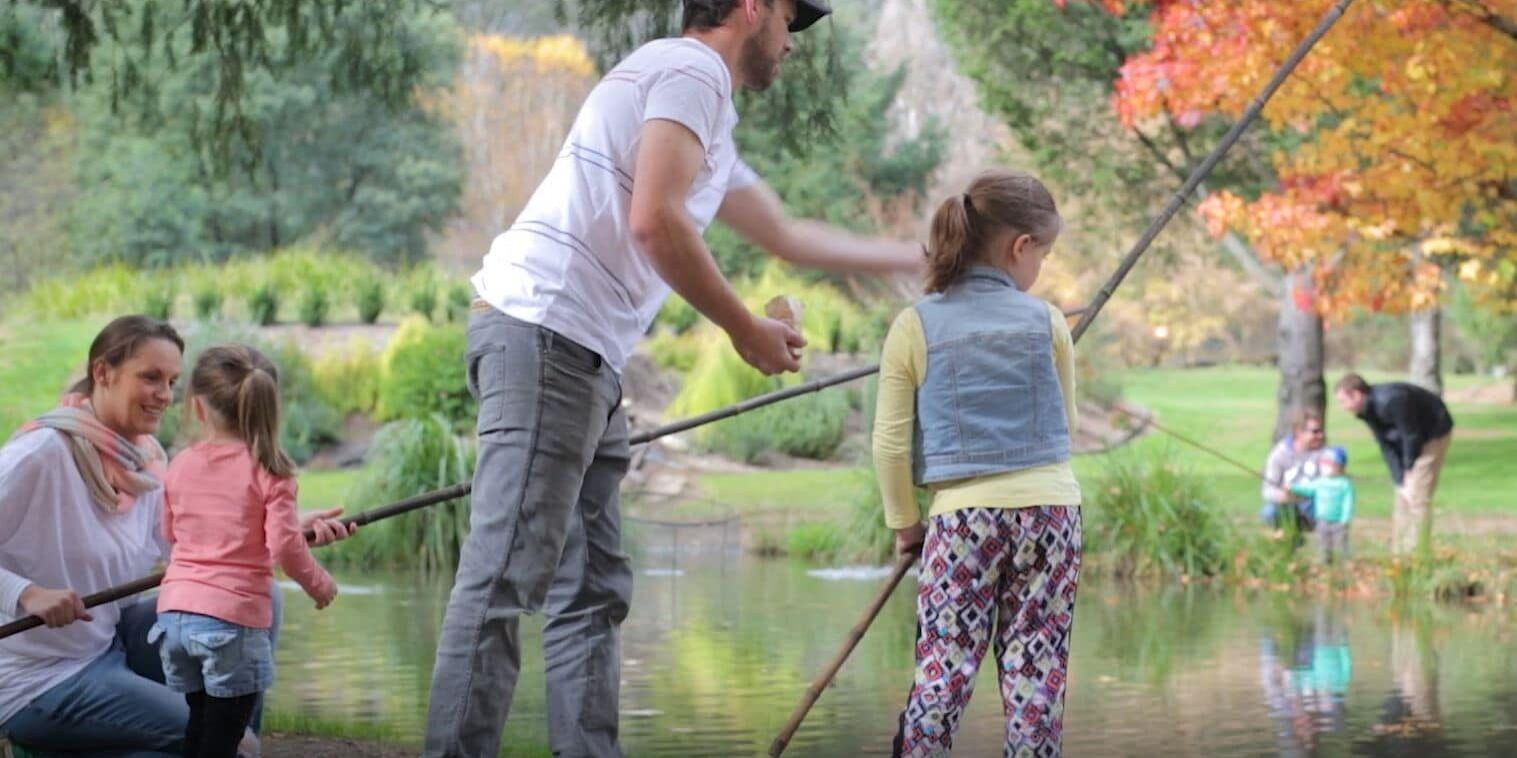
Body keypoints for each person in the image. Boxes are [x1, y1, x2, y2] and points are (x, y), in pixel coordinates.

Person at [424, 0, 927, 754]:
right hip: (545, 334)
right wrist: (742, 329)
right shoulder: (691, 69)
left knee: (592, 588)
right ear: (751, 8)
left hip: (583, 355)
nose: (793, 43)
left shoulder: (705, 118)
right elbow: (655, 219)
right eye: (793, 20)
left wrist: (930, 259)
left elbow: (788, 235)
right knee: (504, 578)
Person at [0, 315, 354, 755]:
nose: (165, 396)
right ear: (102, 372)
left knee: (261, 603)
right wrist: (25, 593)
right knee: (233, 745)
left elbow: (187, 547)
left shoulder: (145, 461)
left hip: (111, 641)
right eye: (150, 378)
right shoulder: (41, 454)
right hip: (41, 676)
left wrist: (281, 528)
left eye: (171, 381)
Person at [872, 170, 1082, 756]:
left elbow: (890, 444)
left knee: (943, 673)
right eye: (1043, 253)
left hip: (962, 523)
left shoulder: (914, 324)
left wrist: (906, 524)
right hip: (1051, 516)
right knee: (1035, 682)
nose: (1039, 267)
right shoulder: (1047, 322)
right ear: (1021, 247)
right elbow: (1062, 426)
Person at [152, 345, 340, 757]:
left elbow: (172, 533)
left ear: (198, 408)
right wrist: (319, 584)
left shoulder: (180, 463)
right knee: (223, 739)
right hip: (230, 624)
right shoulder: (271, 470)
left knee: (200, 725)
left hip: (174, 619)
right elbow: (285, 545)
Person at [1333, 373, 1454, 556]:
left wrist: (1408, 469)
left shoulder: (1392, 400)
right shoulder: (1366, 411)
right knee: (1403, 493)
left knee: (1418, 494)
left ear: (1356, 395)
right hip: (1410, 440)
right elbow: (1386, 445)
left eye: (1343, 401)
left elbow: (1411, 435)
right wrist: (1400, 479)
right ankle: (1399, 551)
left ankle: (1416, 551)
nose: (1343, 408)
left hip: (1433, 434)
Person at [1260, 408, 1328, 533]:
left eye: (1321, 431)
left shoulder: (1326, 454)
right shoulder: (1279, 454)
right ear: (1298, 432)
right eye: (1315, 431)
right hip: (1287, 504)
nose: (1320, 436)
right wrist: (1284, 495)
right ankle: (1291, 533)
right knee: (1269, 512)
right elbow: (1267, 491)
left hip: (1312, 504)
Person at [1289, 447, 1355, 564]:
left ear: (1340, 467)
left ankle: (1342, 565)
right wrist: (1292, 488)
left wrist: (1345, 519)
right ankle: (1325, 563)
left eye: (1329, 464)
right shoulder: (1320, 482)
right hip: (1322, 521)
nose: (1325, 467)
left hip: (1339, 522)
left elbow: (1348, 502)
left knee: (1340, 545)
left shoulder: (1345, 484)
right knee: (1323, 544)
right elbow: (1307, 489)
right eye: (1324, 463)